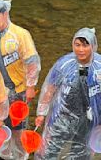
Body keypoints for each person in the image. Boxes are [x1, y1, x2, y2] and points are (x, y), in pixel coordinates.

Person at [0, 0, 41, 159]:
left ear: (5, 14)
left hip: (17, 90)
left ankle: (19, 155)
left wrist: (30, 86)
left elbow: (32, 61)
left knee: (17, 127)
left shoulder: (20, 34)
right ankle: (3, 154)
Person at [35, 28, 101, 159]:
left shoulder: (99, 66)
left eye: (85, 45)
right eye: (77, 45)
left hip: (88, 120)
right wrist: (41, 113)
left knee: (82, 154)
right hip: (63, 117)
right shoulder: (64, 63)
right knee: (48, 152)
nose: (80, 49)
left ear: (93, 46)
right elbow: (49, 89)